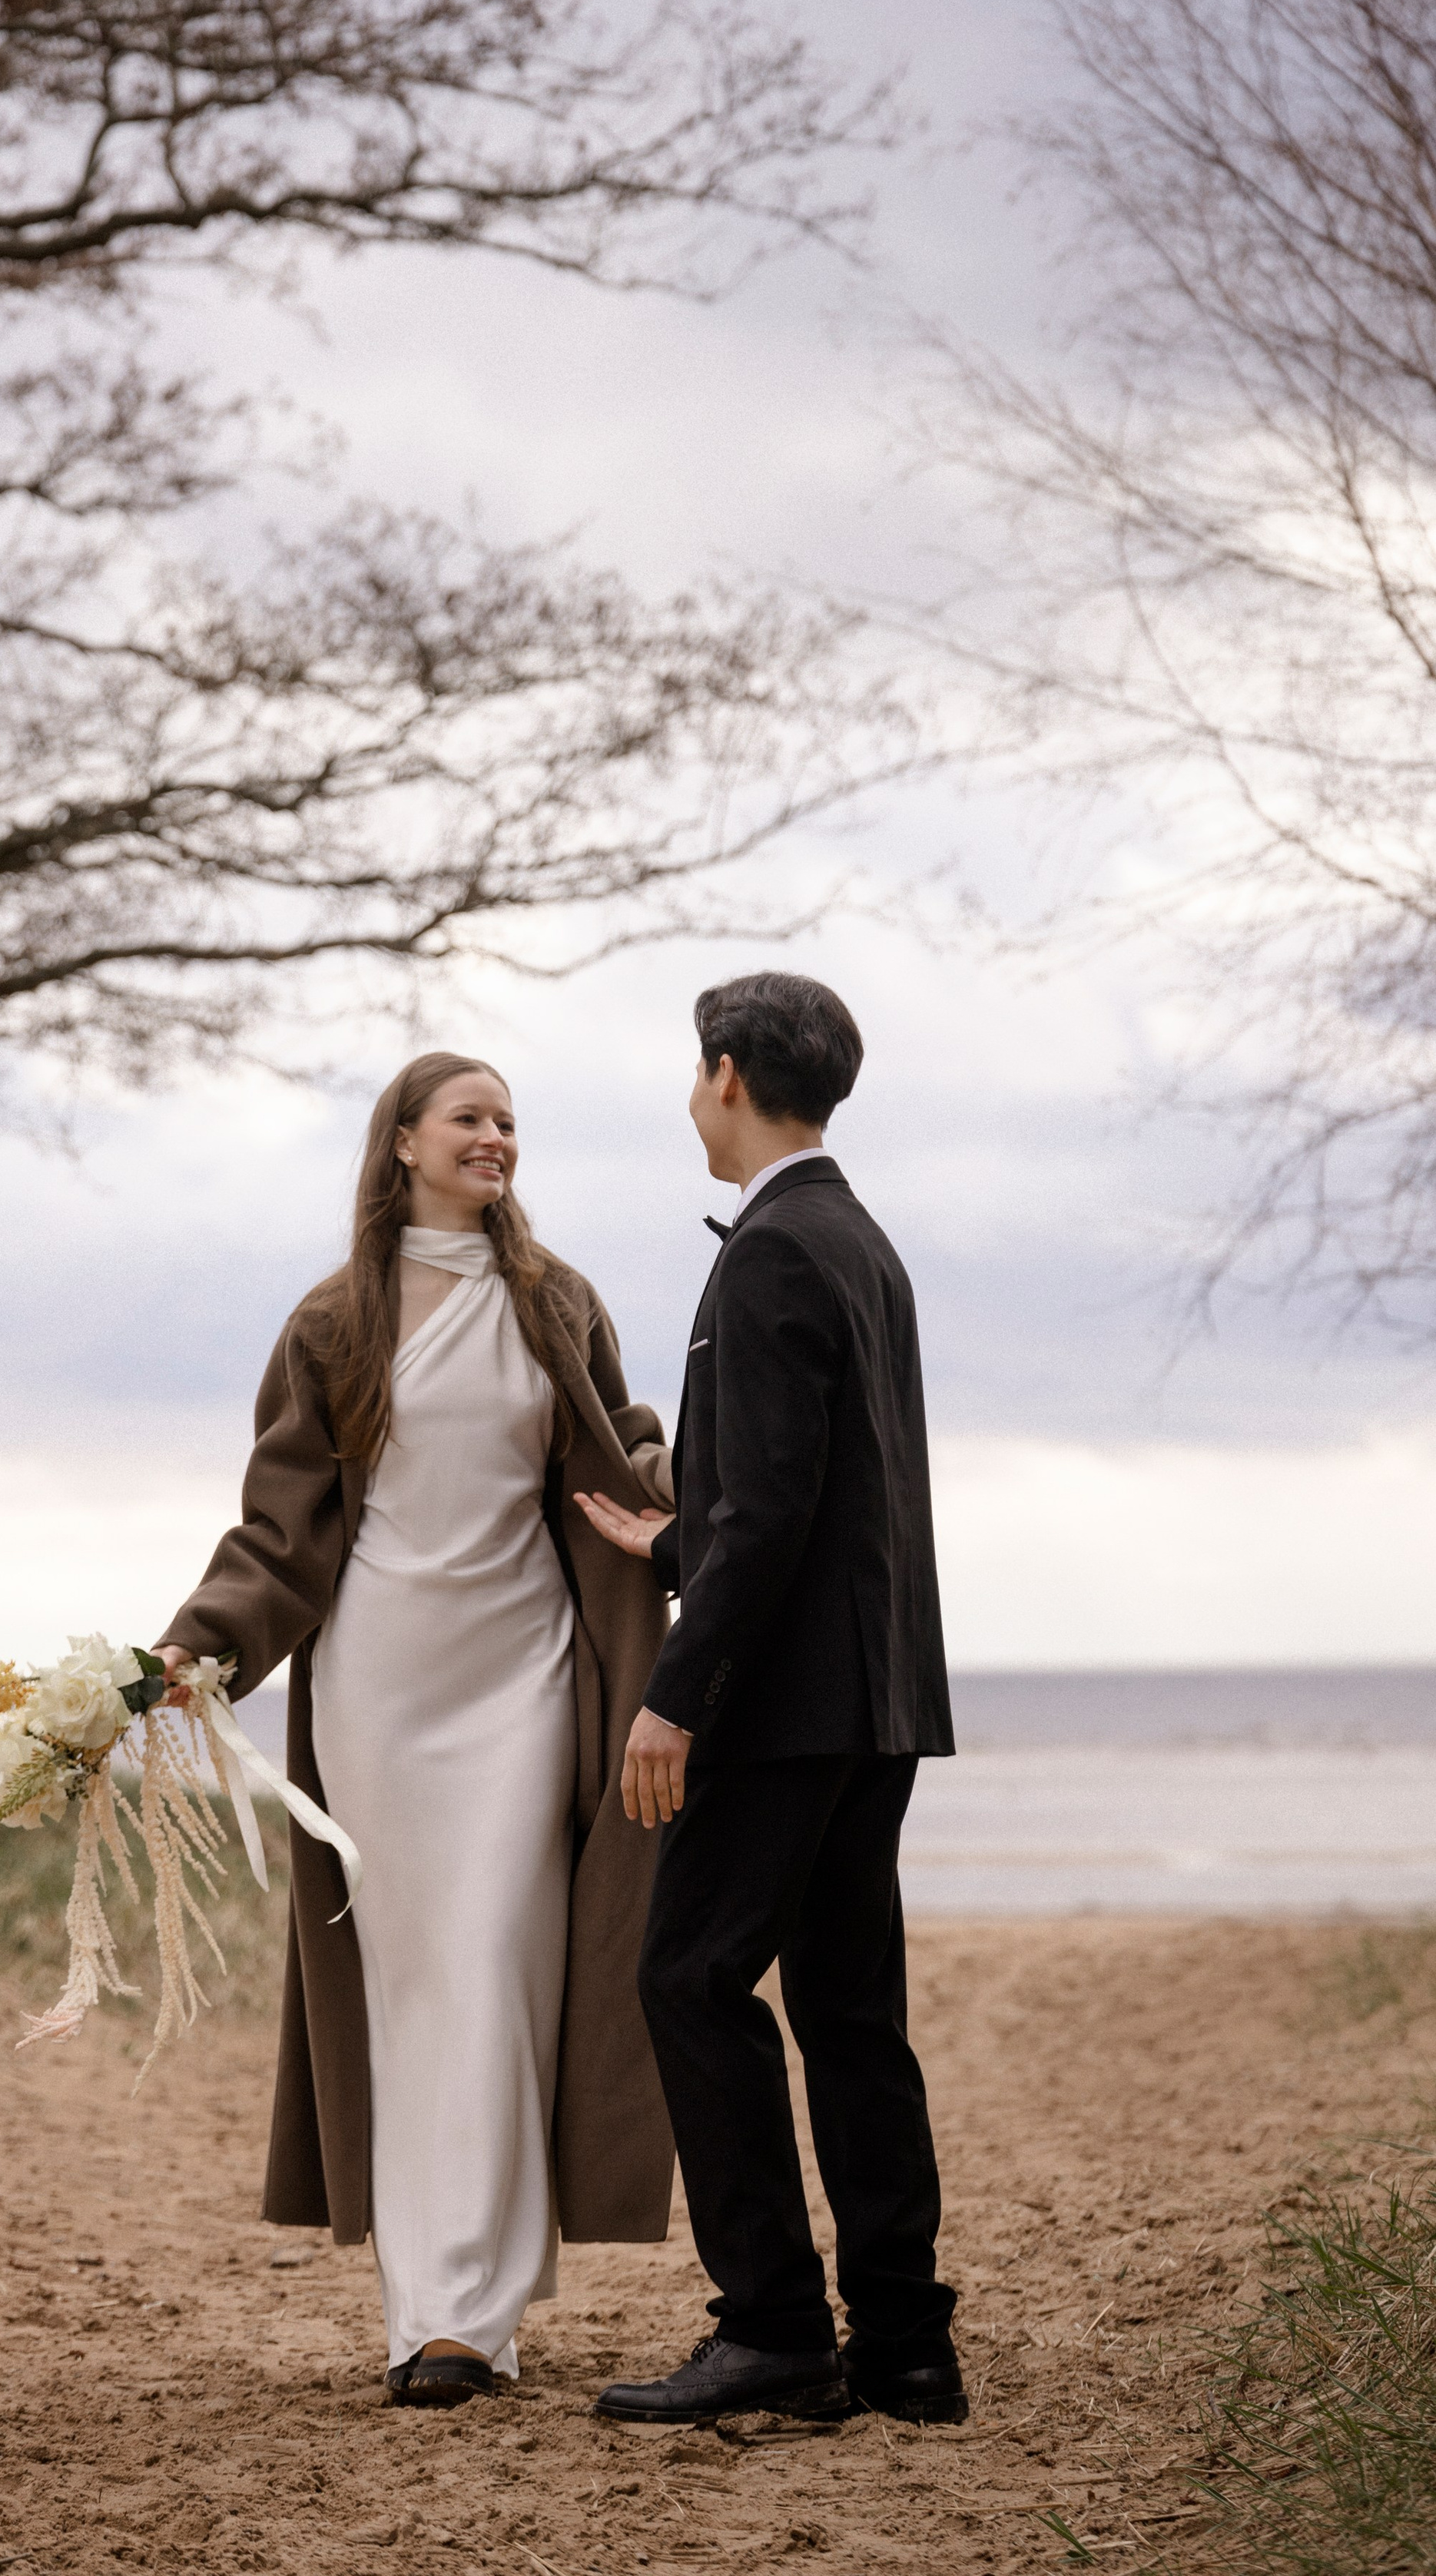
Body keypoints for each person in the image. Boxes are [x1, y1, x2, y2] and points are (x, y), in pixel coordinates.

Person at [154, 1050, 677, 2403]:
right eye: (471, 1117)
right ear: (402, 1143)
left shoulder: (555, 1299)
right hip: (379, 1684)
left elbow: (622, 1453)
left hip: (522, 1676)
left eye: (511, 1118)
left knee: (501, 1963)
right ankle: (429, 2318)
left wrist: (714, 1494)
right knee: (410, 1987)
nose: (497, 1135)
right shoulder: (334, 1320)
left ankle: (476, 2318)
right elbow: (280, 1529)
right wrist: (189, 1650)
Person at [576, 971, 963, 2429]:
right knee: (854, 2016)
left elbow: (780, 1507)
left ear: (729, 1073)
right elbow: (817, 1494)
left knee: (687, 1980)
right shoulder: (860, 1241)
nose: (689, 1095)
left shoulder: (779, 1249)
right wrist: (673, 1536)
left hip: (786, 1711)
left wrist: (676, 1693)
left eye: (694, 1071)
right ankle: (910, 2350)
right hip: (873, 1704)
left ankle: (777, 2330)